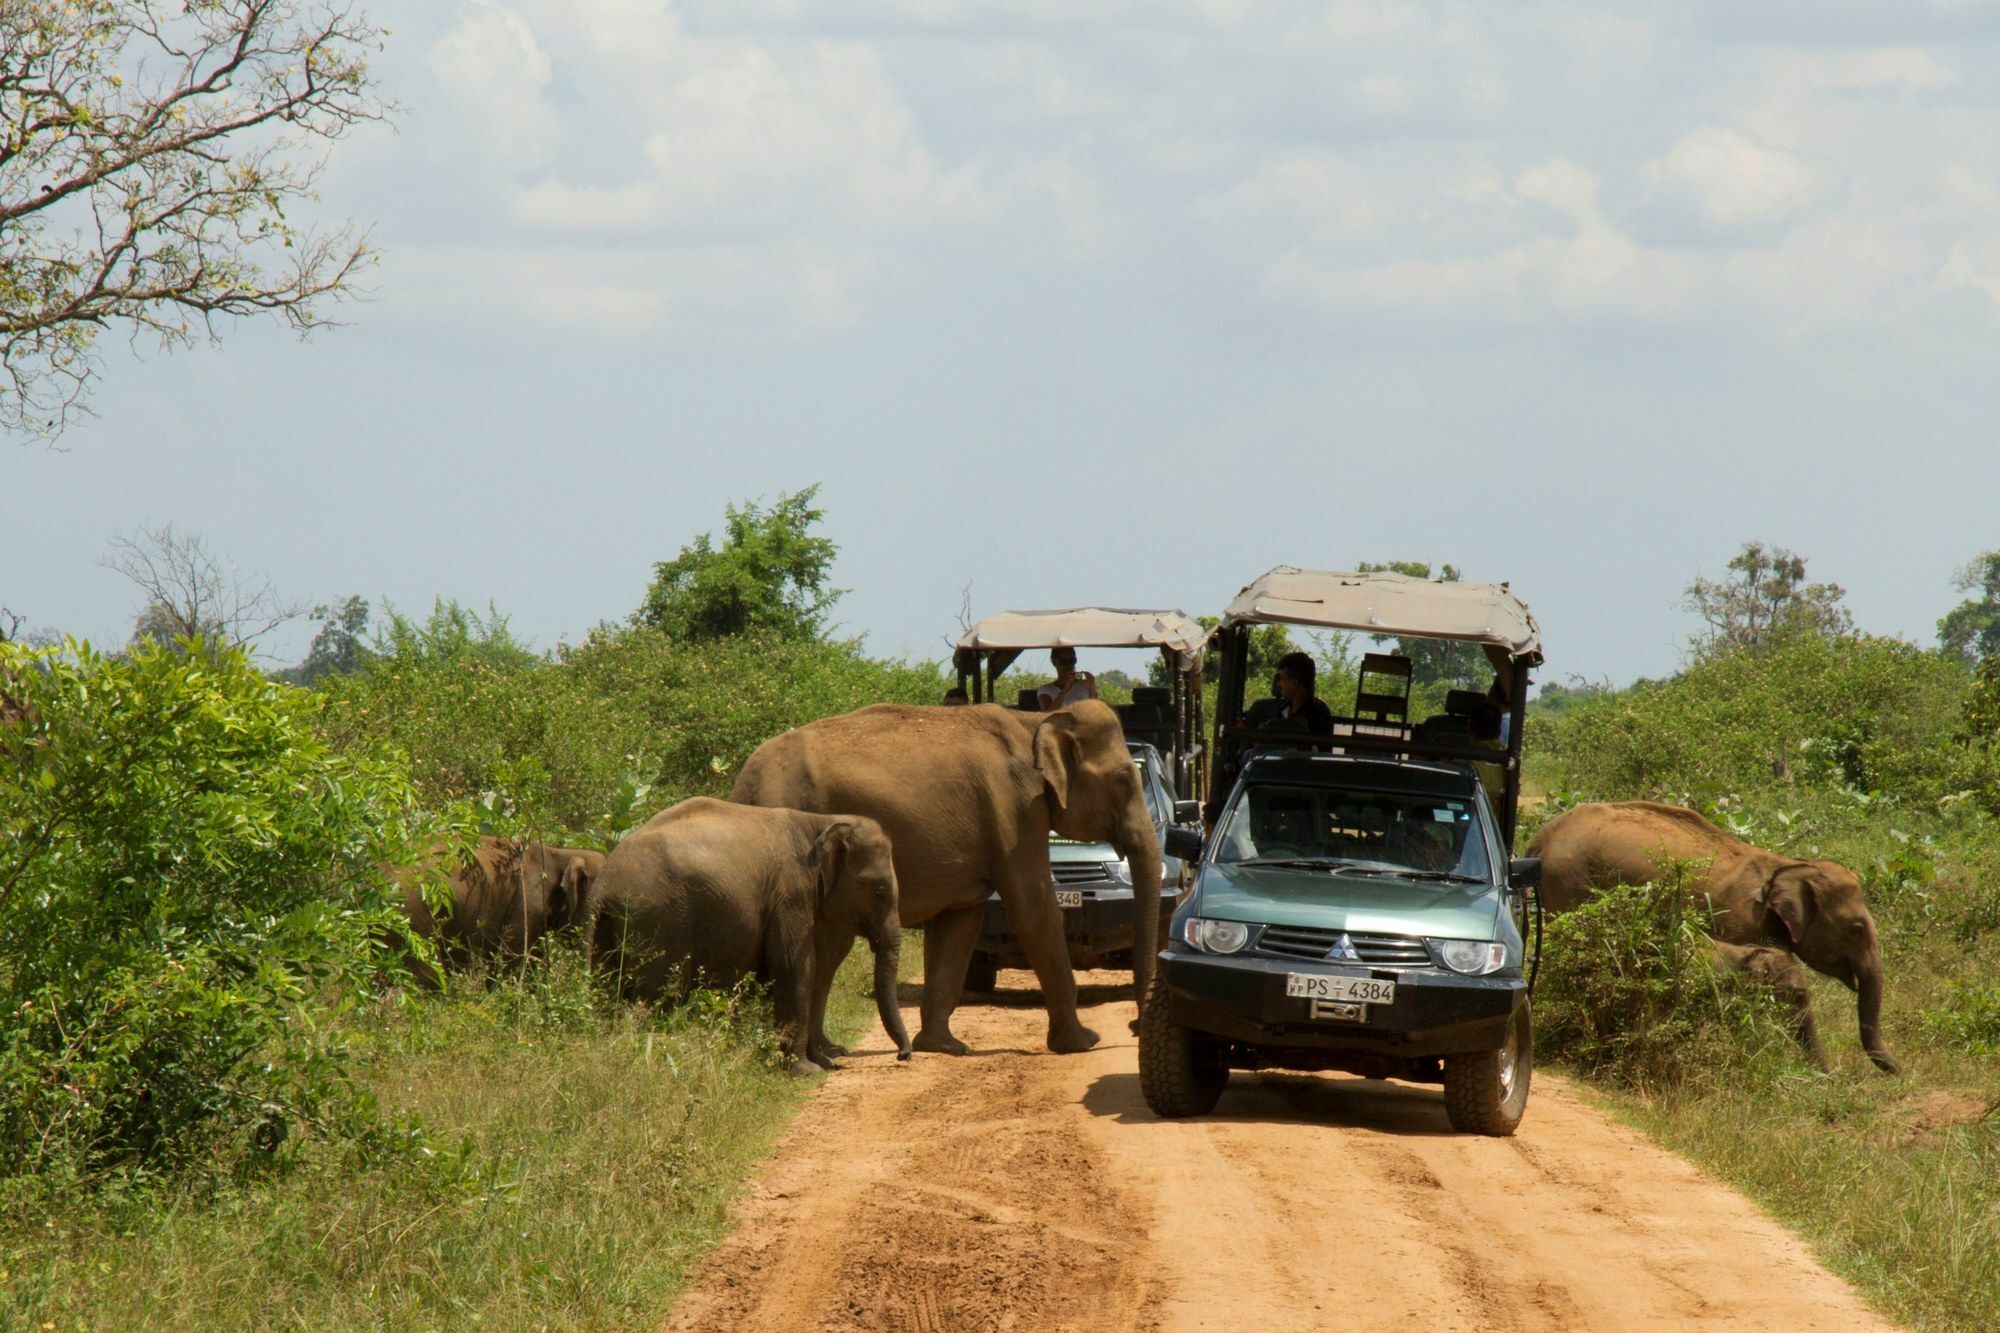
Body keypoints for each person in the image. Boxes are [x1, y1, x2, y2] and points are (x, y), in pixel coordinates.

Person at [1270, 651, 1335, 736]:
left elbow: (1318, 747)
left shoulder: (1319, 714)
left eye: (1282, 679)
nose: (1278, 684)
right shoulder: (1284, 710)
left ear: (1294, 682)